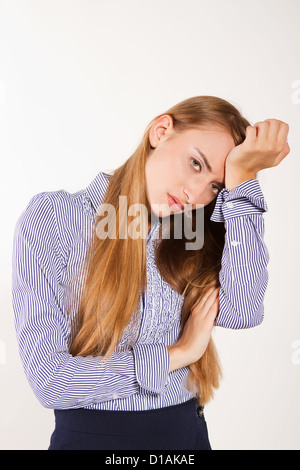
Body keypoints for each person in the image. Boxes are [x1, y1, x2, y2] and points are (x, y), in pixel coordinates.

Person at [11, 96, 290, 450]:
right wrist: (178, 354)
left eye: (216, 186)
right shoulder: (55, 218)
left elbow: (243, 311)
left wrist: (244, 181)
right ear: (160, 131)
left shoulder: (194, 235)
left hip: (186, 435)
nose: (196, 192)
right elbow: (50, 381)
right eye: (195, 163)